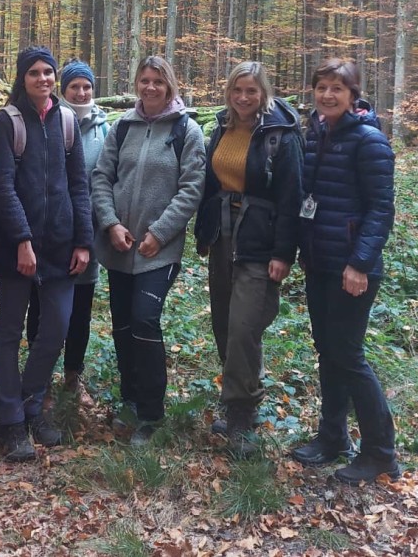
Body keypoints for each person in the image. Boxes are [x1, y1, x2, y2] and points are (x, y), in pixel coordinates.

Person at [291, 59, 400, 483]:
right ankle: (333, 437)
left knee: (349, 355)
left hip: (353, 269)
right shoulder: (316, 133)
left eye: (337, 88)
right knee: (329, 351)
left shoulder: (369, 140)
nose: (328, 95)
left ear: (354, 95)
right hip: (320, 263)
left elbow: (381, 209)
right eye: (321, 87)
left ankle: (380, 452)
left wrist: (359, 264)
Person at [91, 56, 205, 445]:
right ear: (136, 83)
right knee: (122, 324)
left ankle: (151, 413)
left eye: (158, 80)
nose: (151, 87)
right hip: (120, 246)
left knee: (144, 320)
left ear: (169, 84)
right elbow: (102, 178)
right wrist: (111, 224)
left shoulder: (186, 130)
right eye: (144, 80)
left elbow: (192, 188)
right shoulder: (123, 127)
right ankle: (129, 399)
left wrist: (160, 232)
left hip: (160, 251)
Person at [0, 46, 93, 462]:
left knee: (56, 329)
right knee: (10, 331)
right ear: (23, 77)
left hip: (61, 248)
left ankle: (32, 404)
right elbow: (2, 185)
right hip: (17, 249)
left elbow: (79, 184)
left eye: (48, 72)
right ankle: (11, 420)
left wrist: (83, 241)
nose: (43, 79)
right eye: (34, 72)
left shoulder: (66, 120)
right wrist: (22, 239)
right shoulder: (8, 120)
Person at [193, 61, 303, 455]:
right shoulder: (221, 127)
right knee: (223, 323)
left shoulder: (280, 135)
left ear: (263, 93)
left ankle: (241, 413)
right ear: (228, 91)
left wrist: (284, 253)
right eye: (237, 90)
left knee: (244, 326)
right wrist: (203, 233)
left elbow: (292, 197)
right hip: (222, 235)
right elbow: (209, 185)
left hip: (260, 240)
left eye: (251, 91)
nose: (243, 98)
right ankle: (241, 393)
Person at [26, 59, 108, 407]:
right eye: (74, 86)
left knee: (81, 309)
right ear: (63, 89)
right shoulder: (51, 121)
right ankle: (39, 378)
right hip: (50, 233)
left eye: (87, 86)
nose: (81, 92)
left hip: (86, 234)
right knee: (40, 307)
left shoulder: (105, 129)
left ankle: (74, 375)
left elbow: (107, 179)